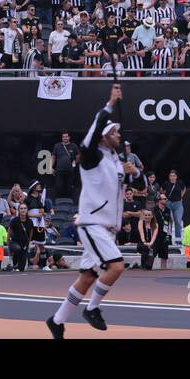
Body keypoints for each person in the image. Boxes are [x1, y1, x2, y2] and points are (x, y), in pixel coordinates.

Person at [47, 83, 133, 338]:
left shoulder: (115, 160)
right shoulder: (91, 155)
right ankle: (92, 308)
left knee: (87, 277)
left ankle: (57, 319)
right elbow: (95, 130)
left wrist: (133, 173)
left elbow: (127, 187)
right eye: (114, 132)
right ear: (104, 136)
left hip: (107, 226)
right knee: (116, 267)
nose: (118, 135)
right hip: (93, 223)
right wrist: (111, 104)